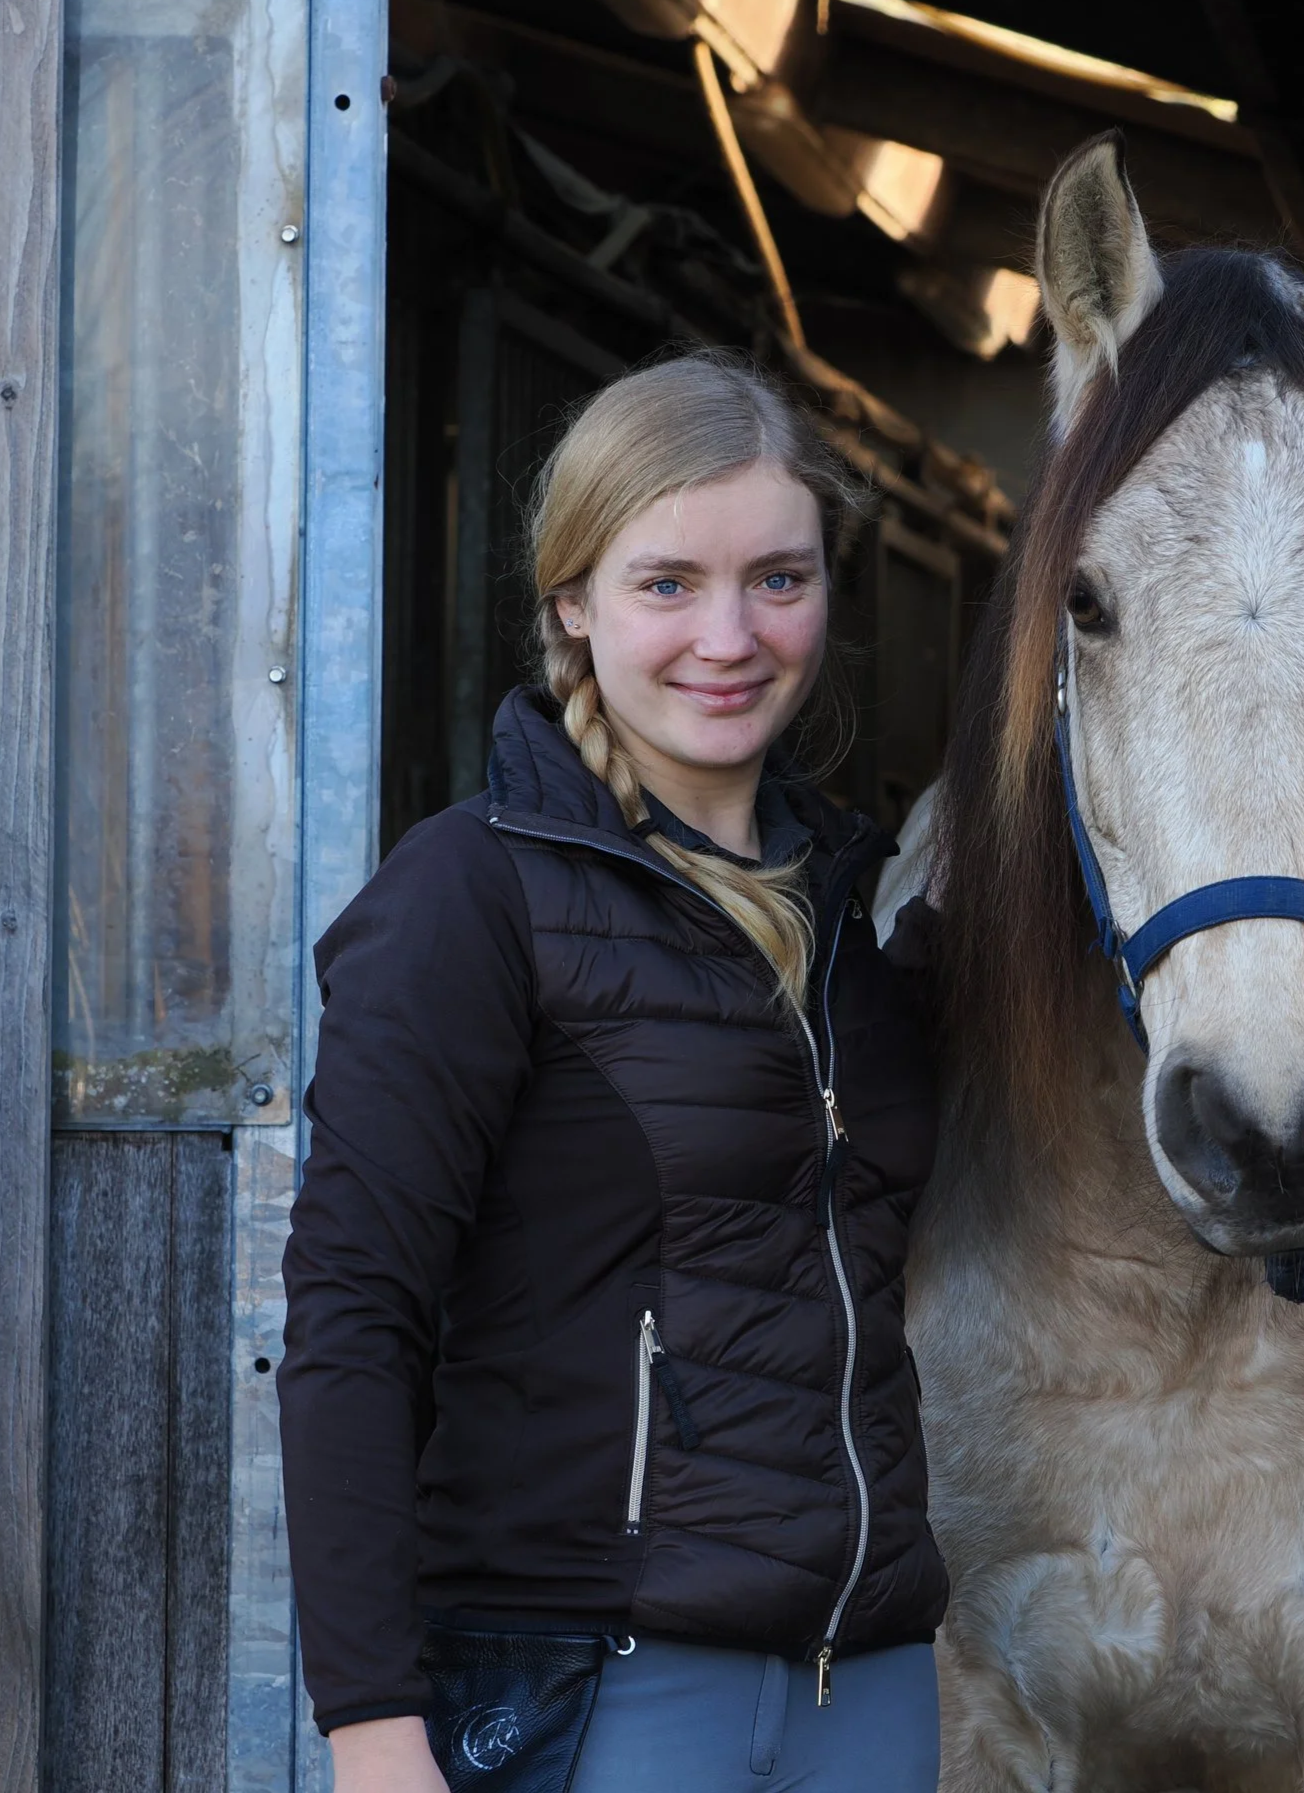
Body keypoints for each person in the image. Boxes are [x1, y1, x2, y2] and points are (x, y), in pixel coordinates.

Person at [279, 350, 946, 1793]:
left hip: (869, 1687)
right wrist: (369, 1720)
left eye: (779, 577)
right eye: (667, 584)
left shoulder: (864, 921)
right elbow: (352, 1315)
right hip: (588, 1685)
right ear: (571, 602)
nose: (730, 634)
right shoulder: (473, 895)